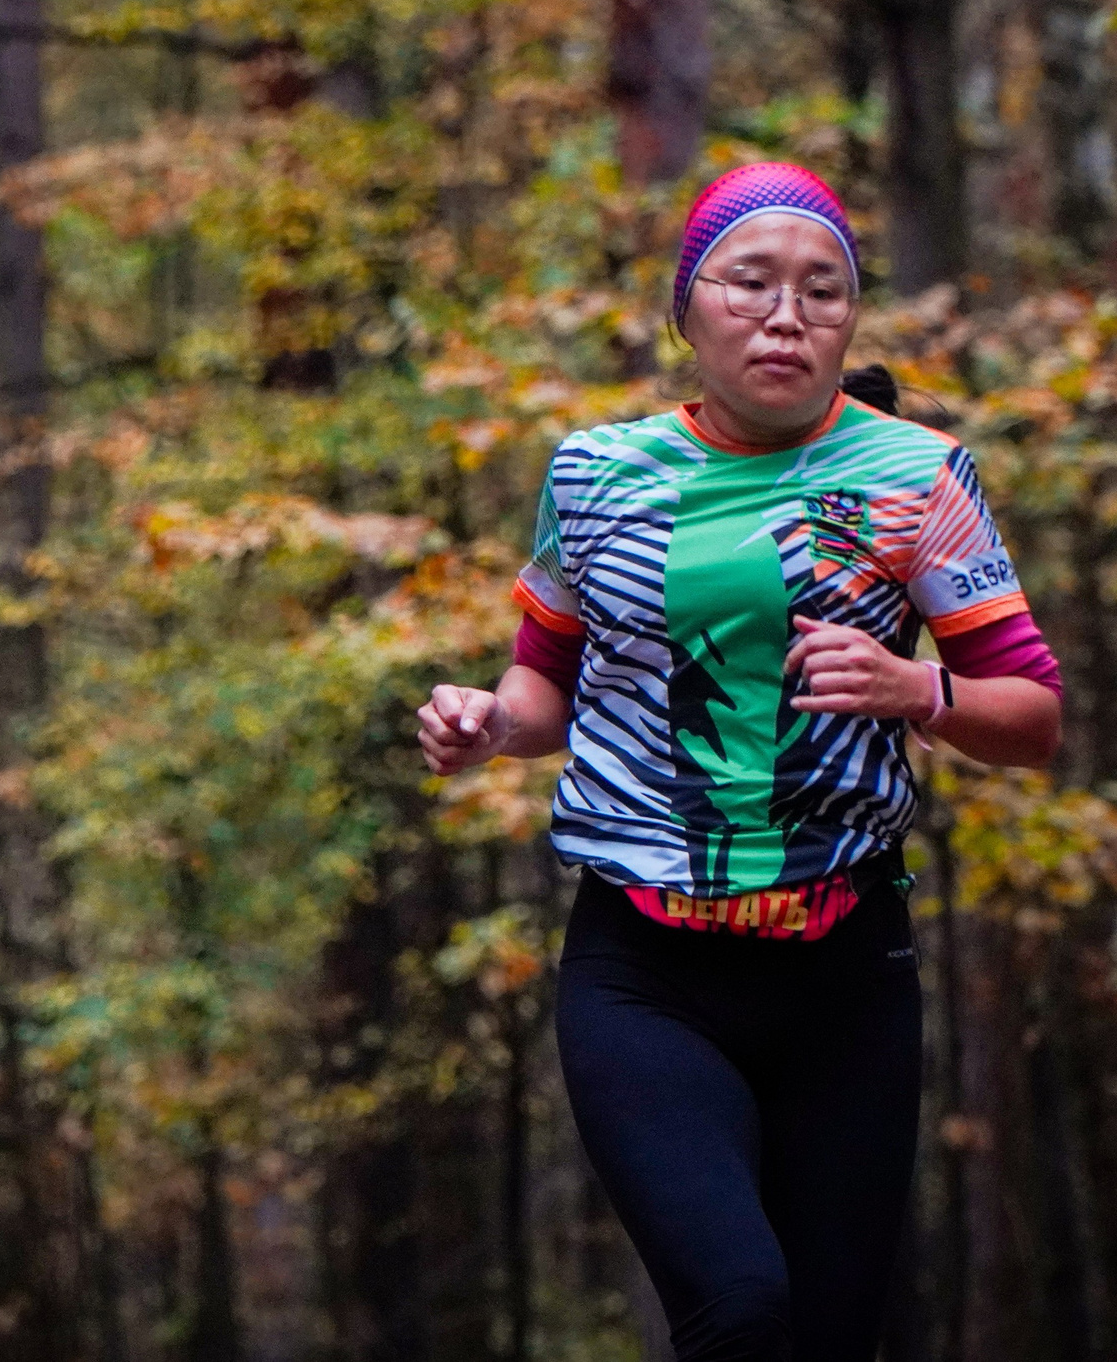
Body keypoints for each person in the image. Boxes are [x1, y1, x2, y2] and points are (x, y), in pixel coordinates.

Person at [415, 163, 1063, 1362]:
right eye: (748, 283)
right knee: (741, 1311)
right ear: (685, 308)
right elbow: (544, 679)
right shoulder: (595, 474)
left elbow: (1031, 718)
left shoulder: (918, 478)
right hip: (645, 970)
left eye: (823, 291)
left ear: (850, 318)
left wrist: (916, 688)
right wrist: (485, 724)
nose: (785, 315)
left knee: (824, 1340)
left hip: (847, 973)